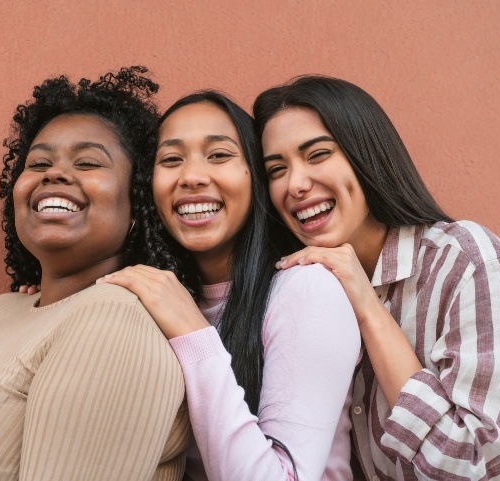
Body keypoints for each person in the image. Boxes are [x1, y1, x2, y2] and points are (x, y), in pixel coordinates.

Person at [0, 67, 191, 481]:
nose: (54, 173)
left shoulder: (114, 319)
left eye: (87, 162)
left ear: (137, 201)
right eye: (38, 162)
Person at [253, 75, 500, 480]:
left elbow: (473, 461)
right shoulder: (301, 293)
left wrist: (369, 307)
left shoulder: (465, 260)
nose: (295, 184)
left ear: (366, 153)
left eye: (317, 154)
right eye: (276, 169)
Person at [102, 91, 362, 480]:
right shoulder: (151, 296)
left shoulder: (306, 290)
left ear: (255, 177)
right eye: (171, 159)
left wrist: (194, 333)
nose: (191, 177)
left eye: (219, 155)